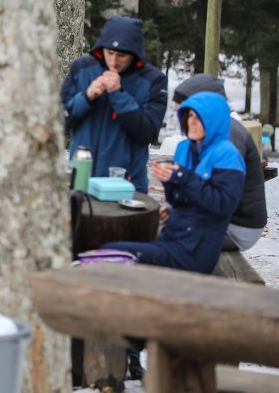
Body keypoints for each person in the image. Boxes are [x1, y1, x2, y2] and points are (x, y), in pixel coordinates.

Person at [104, 91, 246, 273]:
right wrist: (169, 182)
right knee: (107, 247)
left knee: (110, 254)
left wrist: (182, 177)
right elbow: (179, 200)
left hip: (195, 251)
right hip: (172, 237)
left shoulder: (227, 154)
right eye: (189, 116)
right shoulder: (185, 148)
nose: (191, 123)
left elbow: (223, 205)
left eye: (199, 118)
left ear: (214, 120)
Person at [61, 15, 168, 193]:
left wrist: (118, 95)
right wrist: (86, 98)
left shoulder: (154, 80)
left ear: (134, 54)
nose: (113, 61)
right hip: (80, 182)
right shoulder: (82, 68)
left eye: (121, 55)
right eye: (109, 53)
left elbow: (148, 133)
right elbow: (59, 122)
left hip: (126, 186)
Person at [171, 74, 267, 251]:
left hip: (237, 226)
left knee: (157, 235)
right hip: (218, 218)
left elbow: (219, 195)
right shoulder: (210, 129)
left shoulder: (228, 135)